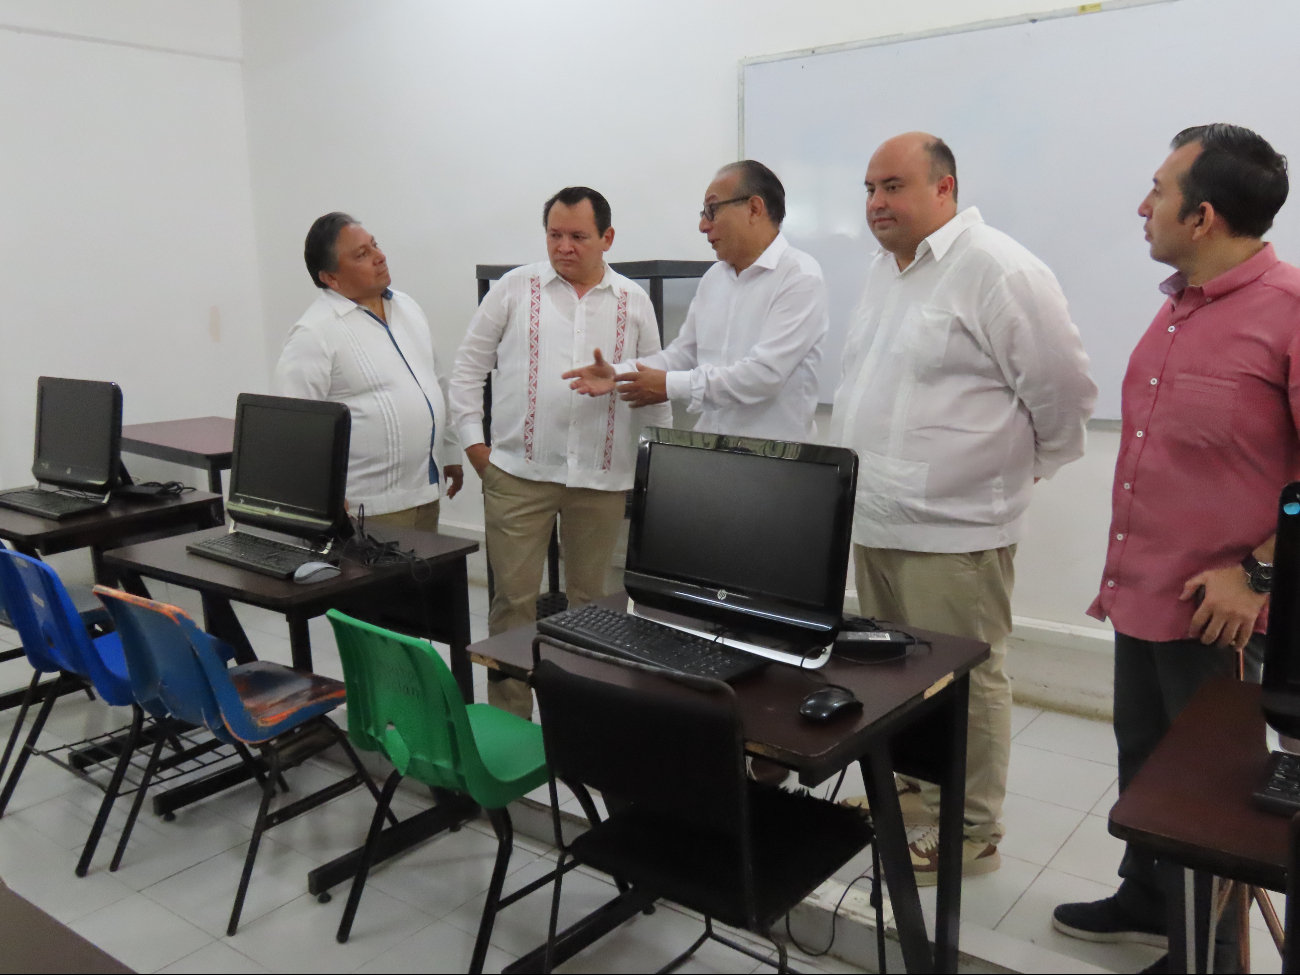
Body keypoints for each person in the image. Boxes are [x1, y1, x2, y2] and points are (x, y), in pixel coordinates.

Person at [1053, 124, 1295, 970]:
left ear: (1202, 216)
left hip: (1220, 618)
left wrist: (1257, 572)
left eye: (1158, 189)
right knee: (1144, 762)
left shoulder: (1291, 311)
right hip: (1142, 592)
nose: (1142, 206)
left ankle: (1212, 954)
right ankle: (1148, 896)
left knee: (1205, 793)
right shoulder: (1176, 305)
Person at [830, 132, 1097, 883]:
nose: (877, 203)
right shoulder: (887, 271)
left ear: (944, 188)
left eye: (894, 187)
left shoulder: (998, 268)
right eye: (870, 188)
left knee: (969, 678)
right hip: (877, 515)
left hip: (955, 530)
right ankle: (913, 795)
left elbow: (1066, 392)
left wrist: (1017, 470)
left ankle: (972, 831)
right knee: (892, 674)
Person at [450, 187, 672, 719]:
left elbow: (653, 390)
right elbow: (466, 372)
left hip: (601, 480)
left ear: (607, 239)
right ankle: (511, 724)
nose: (564, 247)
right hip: (517, 476)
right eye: (555, 235)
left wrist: (653, 469)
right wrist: (478, 450)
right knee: (512, 605)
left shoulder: (633, 302)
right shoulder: (512, 289)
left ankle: (580, 720)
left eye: (578, 236)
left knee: (591, 607)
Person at [564, 160, 828, 442]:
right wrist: (617, 373)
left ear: (754, 208)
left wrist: (668, 386)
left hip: (773, 461)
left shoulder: (799, 276)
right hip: (709, 449)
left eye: (712, 211)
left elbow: (763, 376)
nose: (703, 226)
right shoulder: (715, 277)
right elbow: (683, 356)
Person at [274, 213, 461, 531]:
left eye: (374, 245)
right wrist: (324, 497)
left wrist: (450, 449)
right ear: (331, 278)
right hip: (365, 509)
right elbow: (294, 428)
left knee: (426, 581)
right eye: (362, 255)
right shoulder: (314, 332)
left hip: (425, 493)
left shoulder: (407, 307)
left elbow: (436, 382)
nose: (380, 257)